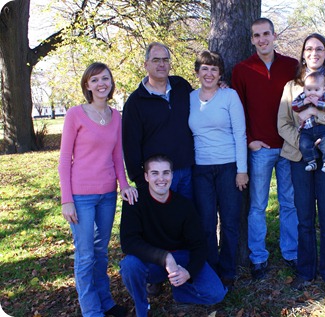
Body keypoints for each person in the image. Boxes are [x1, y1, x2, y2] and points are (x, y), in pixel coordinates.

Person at [58, 62, 138, 317]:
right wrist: (66, 200)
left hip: (107, 195)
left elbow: (117, 157)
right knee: (85, 256)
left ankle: (106, 303)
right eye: (95, 80)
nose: (101, 83)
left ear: (111, 83)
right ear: (87, 86)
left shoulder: (116, 117)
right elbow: (64, 159)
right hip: (80, 196)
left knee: (101, 253)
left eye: (105, 78)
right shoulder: (75, 114)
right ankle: (92, 311)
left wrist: (124, 185)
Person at [277, 33, 325, 294]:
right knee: (304, 216)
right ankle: (306, 270)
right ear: (302, 53)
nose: (314, 53)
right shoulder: (291, 86)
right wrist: (303, 141)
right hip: (301, 157)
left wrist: (315, 116)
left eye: (319, 49)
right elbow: (283, 124)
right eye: (309, 49)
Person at [231, 17, 299, 279]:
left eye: (266, 34)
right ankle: (258, 257)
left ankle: (291, 252)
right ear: (251, 39)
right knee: (258, 205)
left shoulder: (291, 66)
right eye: (257, 35)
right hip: (260, 148)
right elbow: (237, 111)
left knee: (289, 202)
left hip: (289, 146)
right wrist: (249, 139)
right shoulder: (242, 69)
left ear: (274, 35)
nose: (262, 39)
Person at [119, 155, 227, 317]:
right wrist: (164, 257)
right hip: (151, 261)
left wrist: (188, 272)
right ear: (146, 177)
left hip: (181, 260)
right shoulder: (134, 200)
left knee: (216, 294)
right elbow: (128, 243)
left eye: (166, 173)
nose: (161, 179)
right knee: (129, 265)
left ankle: (179, 289)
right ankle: (142, 307)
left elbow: (199, 244)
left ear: (172, 175)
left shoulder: (184, 205)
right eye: (155, 173)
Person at [188, 50, 248, 286]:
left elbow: (240, 133)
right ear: (197, 72)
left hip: (228, 167)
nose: (209, 73)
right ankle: (210, 270)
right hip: (201, 169)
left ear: (220, 72)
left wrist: (241, 170)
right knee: (206, 223)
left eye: (214, 69)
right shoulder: (189, 97)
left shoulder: (229, 96)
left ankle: (228, 271)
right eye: (204, 68)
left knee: (230, 222)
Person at [122, 42, 194, 199]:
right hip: (159, 178)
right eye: (156, 60)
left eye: (165, 60)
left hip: (189, 172)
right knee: (163, 222)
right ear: (146, 64)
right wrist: (140, 180)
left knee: (189, 220)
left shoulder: (182, 86)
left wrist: (218, 87)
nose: (162, 64)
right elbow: (130, 146)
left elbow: (203, 104)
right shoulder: (135, 102)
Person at [291, 71, 325, 173]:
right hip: (307, 128)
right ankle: (311, 161)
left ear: (323, 89)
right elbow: (294, 105)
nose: (312, 93)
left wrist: (318, 103)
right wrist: (303, 102)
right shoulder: (303, 96)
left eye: (316, 90)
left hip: (323, 127)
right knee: (304, 144)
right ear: (304, 89)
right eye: (309, 89)